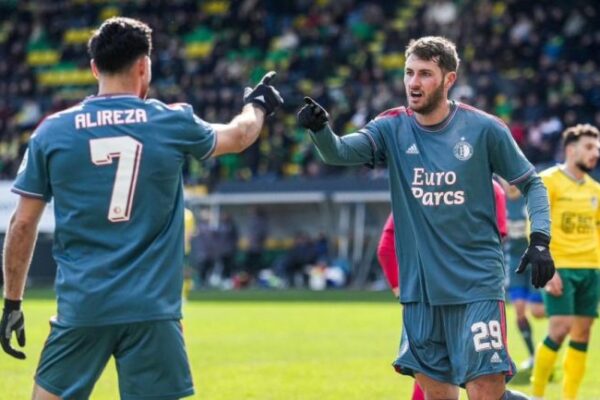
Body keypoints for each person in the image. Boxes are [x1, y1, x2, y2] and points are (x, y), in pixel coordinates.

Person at [0, 17, 283, 400]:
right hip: (153, 311)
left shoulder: (52, 131)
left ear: (94, 67)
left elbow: (22, 225)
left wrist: (13, 302)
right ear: (144, 66)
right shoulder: (171, 121)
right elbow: (239, 135)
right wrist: (257, 105)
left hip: (84, 308)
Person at [299, 36, 554, 400]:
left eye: (425, 74)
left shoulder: (483, 129)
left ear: (449, 79)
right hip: (421, 291)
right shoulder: (391, 127)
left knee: (485, 392)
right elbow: (338, 153)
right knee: (436, 394)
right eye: (408, 73)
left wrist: (540, 239)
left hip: (475, 283)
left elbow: (532, 183)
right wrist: (320, 130)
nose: (414, 83)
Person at [377, 180, 507, 400]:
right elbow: (494, 243)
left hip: (427, 297)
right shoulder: (491, 188)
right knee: (485, 380)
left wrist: (402, 289)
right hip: (475, 296)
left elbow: (385, 247)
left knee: (432, 376)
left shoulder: (418, 185)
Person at [530, 124, 600, 400]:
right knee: (559, 329)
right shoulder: (548, 181)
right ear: (571, 150)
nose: (595, 153)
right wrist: (547, 266)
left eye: (597, 148)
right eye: (589, 147)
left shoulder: (596, 189)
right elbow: (536, 224)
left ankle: (569, 397)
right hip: (561, 267)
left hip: (591, 269)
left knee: (582, 334)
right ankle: (536, 394)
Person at [501, 181, 546, 371]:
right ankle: (534, 356)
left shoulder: (528, 201)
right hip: (513, 263)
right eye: (505, 179)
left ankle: (564, 315)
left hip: (533, 262)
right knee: (519, 310)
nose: (510, 183)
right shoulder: (498, 202)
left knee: (537, 312)